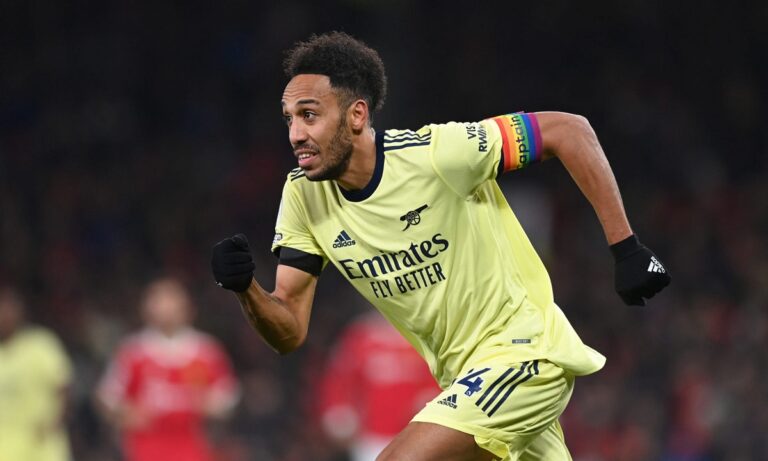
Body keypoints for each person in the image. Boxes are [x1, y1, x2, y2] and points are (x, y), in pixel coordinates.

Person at [211, 32, 671, 460]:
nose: (295, 134)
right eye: (289, 118)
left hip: (524, 355)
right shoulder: (303, 196)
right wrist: (246, 288)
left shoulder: (436, 155)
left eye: (309, 115)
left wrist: (626, 248)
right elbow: (289, 331)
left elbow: (569, 130)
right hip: (465, 380)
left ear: (356, 115)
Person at [96, 277, 239, 461]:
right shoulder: (133, 351)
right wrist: (126, 414)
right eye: (159, 302)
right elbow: (108, 397)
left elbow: (228, 395)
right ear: (146, 309)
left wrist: (210, 405)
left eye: (172, 302)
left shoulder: (206, 350)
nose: (166, 310)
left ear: (187, 308)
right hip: (144, 449)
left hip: (193, 447)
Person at [318, 311, 441, 461]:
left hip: (416, 436)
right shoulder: (361, 336)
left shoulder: (423, 337)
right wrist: (340, 413)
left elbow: (438, 378)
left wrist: (433, 404)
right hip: (371, 438)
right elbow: (340, 377)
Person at [0, 286, 73, 461]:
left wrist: (55, 421)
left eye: (8, 310)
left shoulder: (40, 345)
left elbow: (64, 386)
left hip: (42, 446)